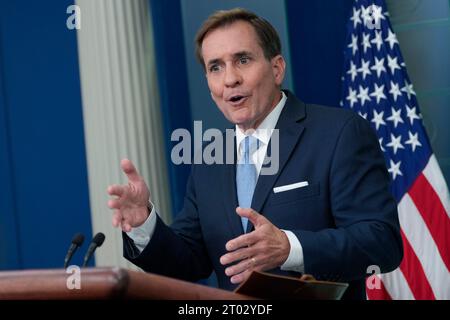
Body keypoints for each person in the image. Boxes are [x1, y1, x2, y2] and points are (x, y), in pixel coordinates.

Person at [106, 8, 403, 300]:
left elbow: (381, 244)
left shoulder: (339, 133)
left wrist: (289, 247)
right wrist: (144, 223)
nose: (230, 79)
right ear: (210, 88)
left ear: (277, 69)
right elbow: (187, 263)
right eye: (215, 67)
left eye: (242, 60)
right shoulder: (210, 158)